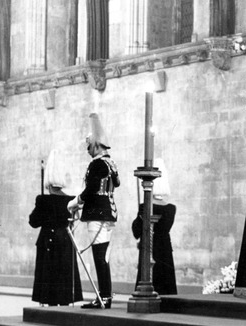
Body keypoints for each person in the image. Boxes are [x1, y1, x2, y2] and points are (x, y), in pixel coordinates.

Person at [68, 113, 121, 309]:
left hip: (97, 215)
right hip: (108, 213)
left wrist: (75, 202)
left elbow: (90, 191)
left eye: (89, 144)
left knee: (100, 256)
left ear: (96, 144)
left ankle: (104, 297)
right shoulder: (110, 163)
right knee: (103, 256)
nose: (87, 148)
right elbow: (116, 183)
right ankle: (105, 296)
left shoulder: (97, 164)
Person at [29, 149, 84, 306]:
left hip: (48, 240)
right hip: (65, 241)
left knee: (49, 280)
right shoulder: (70, 199)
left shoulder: (43, 200)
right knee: (63, 279)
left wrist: (41, 207)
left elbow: (33, 222)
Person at [132, 158, 177, 295]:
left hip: (149, 248)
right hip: (164, 248)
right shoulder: (171, 208)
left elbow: (136, 231)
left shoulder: (145, 206)